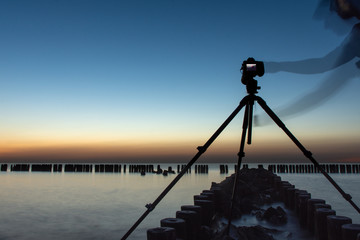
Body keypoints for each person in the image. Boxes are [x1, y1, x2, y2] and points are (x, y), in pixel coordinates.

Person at [256, 0, 360, 125]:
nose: (335, 13)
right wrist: (275, 66)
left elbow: (323, 69)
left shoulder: (357, 37)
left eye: (335, 5)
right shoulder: (356, 36)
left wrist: (276, 66)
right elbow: (323, 68)